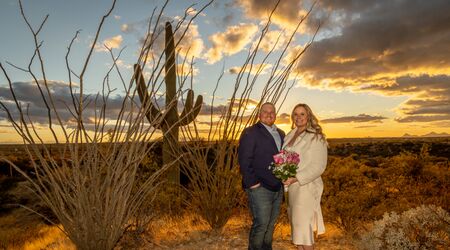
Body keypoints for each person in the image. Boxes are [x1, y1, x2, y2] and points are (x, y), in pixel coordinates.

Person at [238, 102, 285, 250]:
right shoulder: (251, 132)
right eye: (265, 111)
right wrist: (253, 184)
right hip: (260, 187)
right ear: (259, 114)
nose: (269, 114)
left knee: (270, 225)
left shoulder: (281, 133)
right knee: (261, 225)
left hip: (278, 187)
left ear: (275, 115)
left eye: (272, 112)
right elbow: (244, 160)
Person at [282, 103, 328, 250]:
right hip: (291, 189)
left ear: (308, 116)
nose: (298, 117)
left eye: (302, 114)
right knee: (298, 232)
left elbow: (319, 166)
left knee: (304, 232)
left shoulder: (316, 137)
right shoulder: (289, 135)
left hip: (306, 188)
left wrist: (296, 177)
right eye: (295, 114)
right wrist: (282, 172)